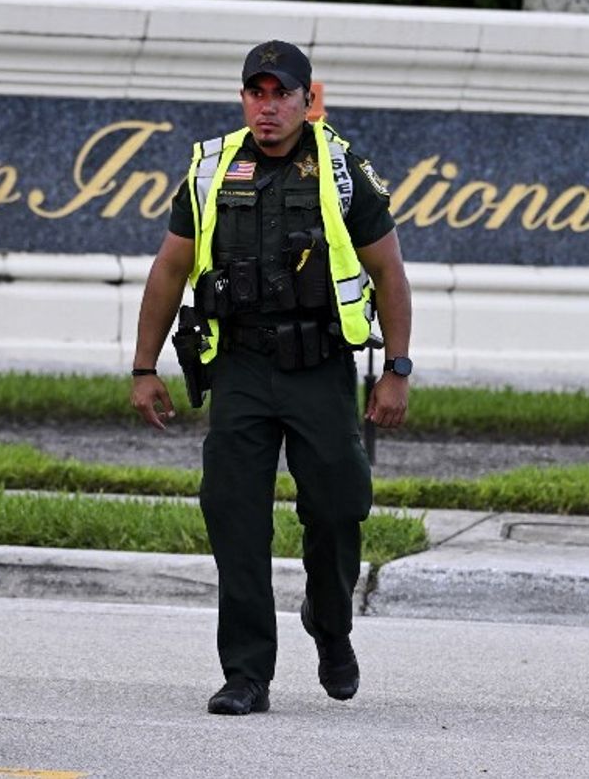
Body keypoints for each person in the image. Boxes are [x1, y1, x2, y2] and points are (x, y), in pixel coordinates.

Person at [130, 40, 413, 716]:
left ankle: (330, 619)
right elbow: (170, 269)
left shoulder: (343, 170)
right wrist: (144, 366)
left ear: (305, 100)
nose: (268, 106)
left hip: (320, 366)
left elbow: (389, 273)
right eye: (256, 93)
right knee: (235, 517)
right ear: (243, 100)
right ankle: (246, 673)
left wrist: (397, 370)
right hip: (242, 368)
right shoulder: (210, 167)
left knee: (341, 505)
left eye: (281, 93)